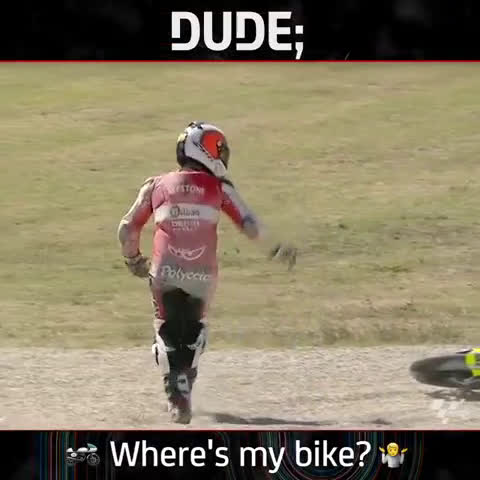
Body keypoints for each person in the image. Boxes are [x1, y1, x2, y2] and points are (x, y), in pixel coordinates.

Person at [117, 121, 297, 424]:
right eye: (219, 149)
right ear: (204, 150)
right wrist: (276, 248)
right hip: (203, 271)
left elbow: (126, 228)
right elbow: (250, 224)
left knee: (165, 326)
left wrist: (133, 259)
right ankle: (185, 384)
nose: (223, 155)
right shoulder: (220, 188)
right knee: (195, 328)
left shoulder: (155, 186)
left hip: (165, 269)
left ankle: (175, 392)